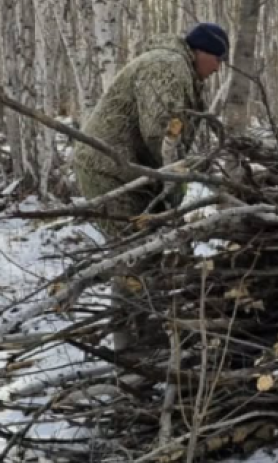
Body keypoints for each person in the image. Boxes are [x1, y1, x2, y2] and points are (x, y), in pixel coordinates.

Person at [73, 22, 228, 351]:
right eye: (218, 58)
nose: (218, 68)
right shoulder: (167, 67)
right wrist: (176, 182)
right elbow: (161, 132)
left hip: (133, 173)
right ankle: (130, 348)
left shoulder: (179, 68)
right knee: (135, 256)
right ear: (202, 52)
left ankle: (149, 334)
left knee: (148, 252)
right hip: (108, 171)